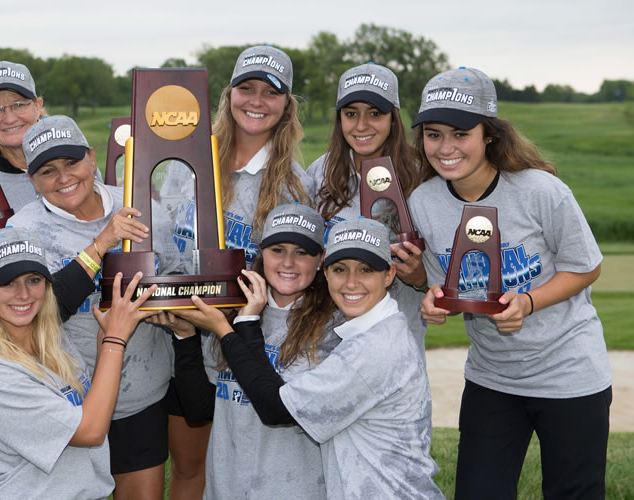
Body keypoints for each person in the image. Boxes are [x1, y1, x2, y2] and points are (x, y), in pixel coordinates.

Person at [407, 67, 611, 499]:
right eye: (433, 133)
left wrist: (529, 302)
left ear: (489, 135)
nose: (445, 148)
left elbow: (586, 266)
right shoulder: (423, 202)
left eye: (460, 133)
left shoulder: (540, 190)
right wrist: (433, 299)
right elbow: (445, 282)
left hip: (569, 371)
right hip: (492, 376)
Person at [0, 61, 135, 500]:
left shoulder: (82, 178)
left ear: (39, 106)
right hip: (13, 362)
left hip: (59, 361)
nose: (9, 115)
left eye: (19, 103)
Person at [175, 218, 443, 499]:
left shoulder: (364, 344)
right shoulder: (356, 331)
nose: (352, 282)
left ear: (389, 275)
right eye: (340, 269)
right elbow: (201, 407)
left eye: (366, 269)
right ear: (327, 272)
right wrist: (187, 336)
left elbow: (276, 408)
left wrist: (230, 329)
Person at [157, 45, 315, 497]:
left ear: (286, 106)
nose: (257, 100)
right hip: (174, 332)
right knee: (186, 468)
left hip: (235, 348)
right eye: (247, 88)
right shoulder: (189, 163)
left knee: (222, 467)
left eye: (271, 92)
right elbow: (165, 242)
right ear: (229, 94)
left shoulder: (292, 185)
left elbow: (289, 275)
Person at [8, 115, 178, 499]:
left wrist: (172, 314)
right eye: (47, 171)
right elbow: (36, 314)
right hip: (67, 405)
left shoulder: (138, 204)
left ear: (92, 158)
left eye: (72, 163)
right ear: (32, 181)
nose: (64, 177)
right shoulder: (23, 231)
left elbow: (174, 276)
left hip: (141, 395)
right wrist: (103, 241)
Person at [0, 226, 158, 498]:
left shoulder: (51, 339)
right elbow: (90, 430)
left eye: (33, 280)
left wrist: (104, 336)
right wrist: (115, 340)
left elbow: (91, 401)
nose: (24, 294)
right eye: (8, 282)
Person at [156, 203, 333, 499]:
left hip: (292, 489)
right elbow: (200, 409)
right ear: (260, 253)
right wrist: (185, 336)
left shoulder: (331, 328)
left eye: (302, 252)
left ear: (321, 259)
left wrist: (239, 327)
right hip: (227, 487)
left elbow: (282, 410)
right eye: (277, 250)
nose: (288, 262)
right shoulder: (234, 309)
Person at [307, 62, 429, 354]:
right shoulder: (318, 173)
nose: (361, 126)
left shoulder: (422, 176)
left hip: (397, 347)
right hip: (327, 346)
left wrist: (422, 277)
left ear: (393, 119)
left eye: (375, 113)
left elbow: (447, 272)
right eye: (351, 114)